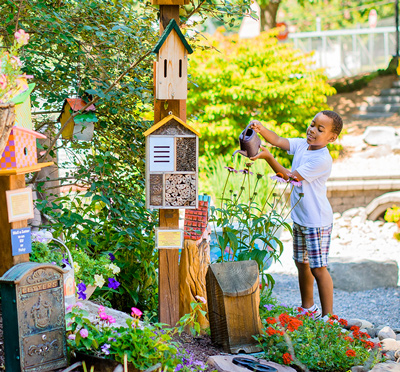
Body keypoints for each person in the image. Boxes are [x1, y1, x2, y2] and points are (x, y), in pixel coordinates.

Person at [249, 110, 343, 318]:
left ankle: (330, 317)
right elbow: (279, 140)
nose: (312, 130)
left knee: (319, 268)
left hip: (316, 220)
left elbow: (291, 178)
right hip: (301, 217)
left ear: (332, 138)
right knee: (302, 263)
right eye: (312, 124)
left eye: (320, 129)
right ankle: (308, 308)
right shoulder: (302, 145)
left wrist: (268, 158)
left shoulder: (322, 159)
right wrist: (261, 129)